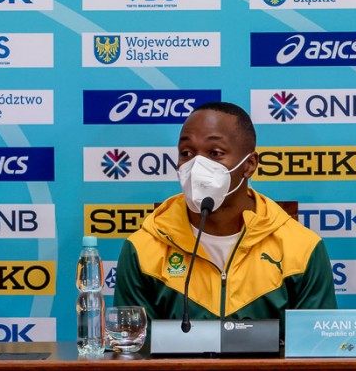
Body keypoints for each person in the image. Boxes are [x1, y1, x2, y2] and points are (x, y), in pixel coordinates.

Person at [113, 102, 337, 321]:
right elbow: (134, 342)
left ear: (249, 164)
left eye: (215, 153)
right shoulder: (142, 249)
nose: (197, 166)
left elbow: (314, 342)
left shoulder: (302, 249)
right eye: (187, 153)